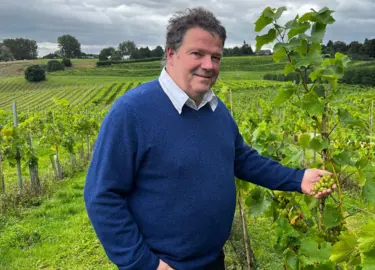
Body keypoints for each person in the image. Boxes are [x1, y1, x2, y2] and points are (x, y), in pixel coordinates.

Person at [83, 7, 335, 270]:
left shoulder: (215, 108)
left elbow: (241, 158)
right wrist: (144, 264)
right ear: (171, 54)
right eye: (198, 54)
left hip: (213, 260)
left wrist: (298, 178)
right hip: (165, 265)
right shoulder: (132, 112)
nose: (209, 65)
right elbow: (102, 196)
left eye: (216, 57)